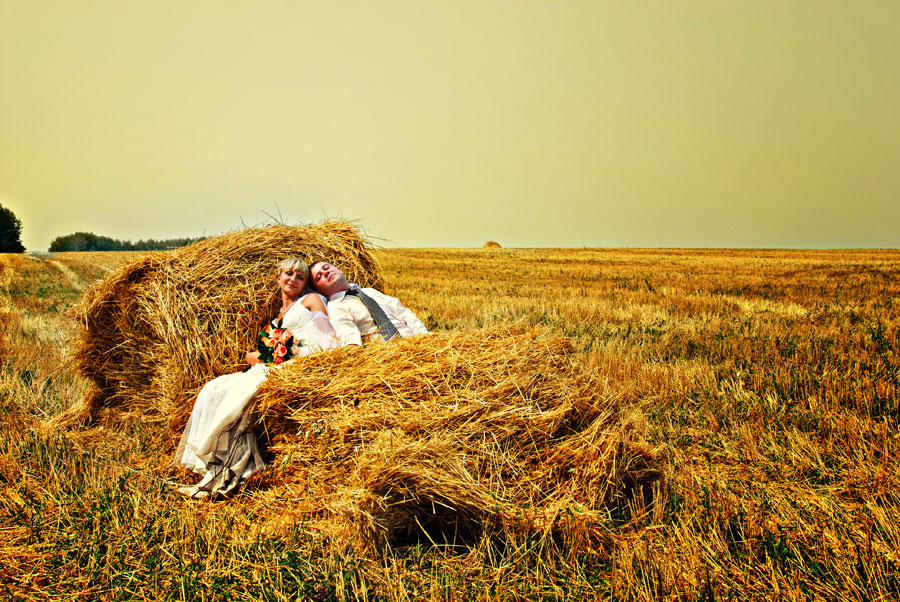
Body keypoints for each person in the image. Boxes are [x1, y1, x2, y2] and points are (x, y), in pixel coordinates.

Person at [175, 258, 338, 499]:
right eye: (289, 274)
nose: (293, 279)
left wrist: (293, 351)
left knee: (242, 395)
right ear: (278, 278)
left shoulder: (310, 301)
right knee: (214, 388)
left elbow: (329, 339)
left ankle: (224, 478)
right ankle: (214, 469)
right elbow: (263, 355)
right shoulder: (274, 320)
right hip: (269, 365)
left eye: (300, 277)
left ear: (305, 284)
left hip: (294, 366)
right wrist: (259, 355)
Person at [309, 261, 429, 347]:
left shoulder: (370, 291)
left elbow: (404, 313)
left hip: (413, 340)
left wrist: (424, 336)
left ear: (339, 269)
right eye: (319, 277)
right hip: (389, 351)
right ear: (320, 291)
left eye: (326, 268)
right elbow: (347, 331)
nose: (326, 273)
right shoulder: (335, 306)